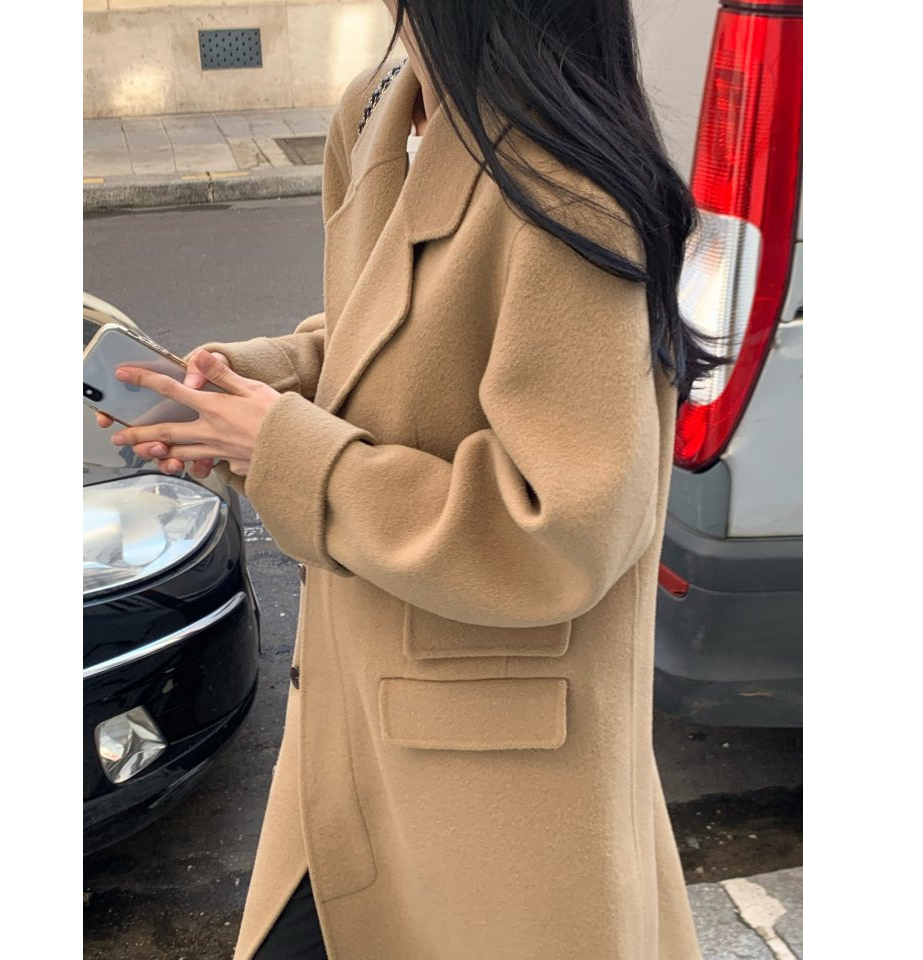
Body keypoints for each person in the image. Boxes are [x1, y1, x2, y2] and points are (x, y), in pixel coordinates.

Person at [99, 1, 725, 957]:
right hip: (347, 734)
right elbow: (375, 332)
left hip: (495, 794)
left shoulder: (567, 188)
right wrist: (247, 389)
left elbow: (561, 533)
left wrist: (283, 449)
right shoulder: (380, 107)